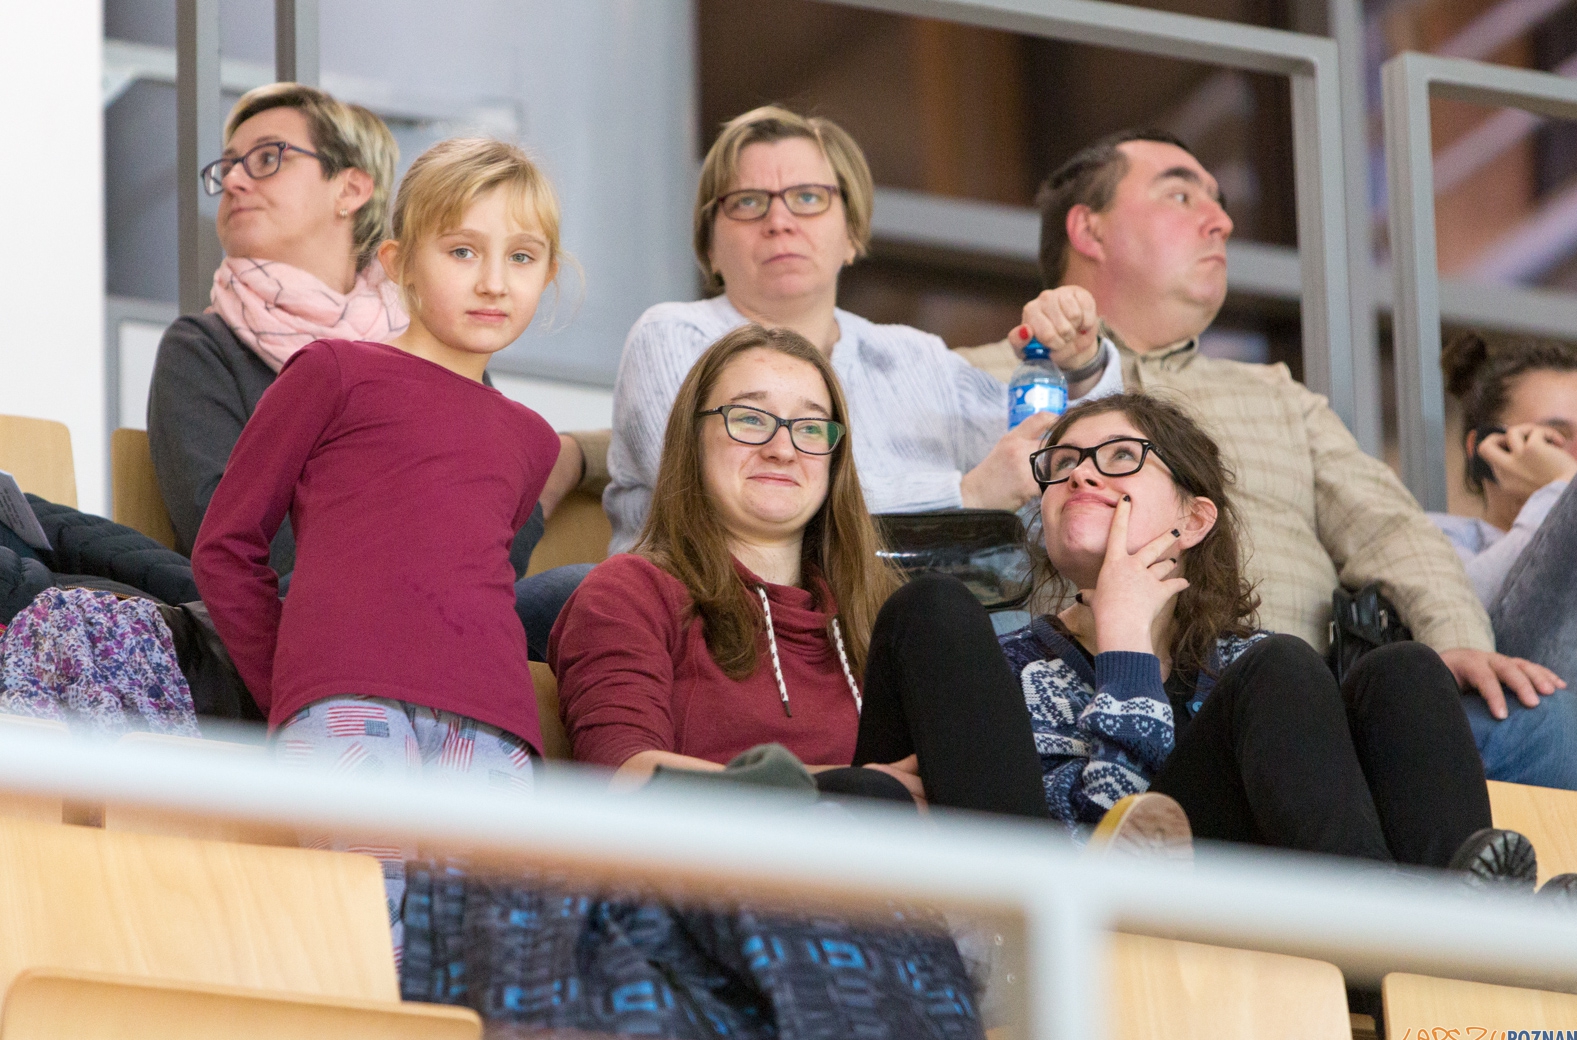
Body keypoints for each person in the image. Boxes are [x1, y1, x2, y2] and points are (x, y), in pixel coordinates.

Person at [963, 128, 1569, 748]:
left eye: (1219, 202)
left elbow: (1391, 531)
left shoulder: (1278, 394)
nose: (1221, 221)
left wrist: (1456, 640)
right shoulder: (971, 380)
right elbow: (923, 551)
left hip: (1294, 718)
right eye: (1181, 196)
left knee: (1545, 726)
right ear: (1089, 230)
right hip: (1068, 711)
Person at [192, 138, 566, 952]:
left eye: (522, 256)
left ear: (548, 274)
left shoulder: (533, 439)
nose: (494, 281)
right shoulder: (332, 372)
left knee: (482, 962)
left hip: (495, 724)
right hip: (346, 704)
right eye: (462, 250)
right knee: (365, 943)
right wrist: (293, 688)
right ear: (398, 263)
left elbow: (470, 573)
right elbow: (226, 546)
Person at [1001, 392, 1529, 878]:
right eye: (1062, 464)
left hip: (1292, 909)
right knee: (1281, 665)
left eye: (1120, 456)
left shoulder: (1249, 667)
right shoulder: (1010, 670)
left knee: (1404, 671)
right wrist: (1126, 653)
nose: (1079, 475)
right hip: (1140, 924)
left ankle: (1469, 928)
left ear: (1194, 519)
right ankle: (1407, 925)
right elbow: (1090, 852)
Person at [147, 82, 593, 658]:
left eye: (267, 158)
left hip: (449, 614)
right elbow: (231, 535)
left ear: (352, 188)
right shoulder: (203, 347)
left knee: (597, 593)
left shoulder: (444, 326)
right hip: (309, 620)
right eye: (228, 166)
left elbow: (499, 528)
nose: (234, 180)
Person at [551, 322, 1051, 819]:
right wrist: (841, 786)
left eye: (810, 428)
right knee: (872, 795)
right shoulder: (628, 592)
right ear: (693, 438)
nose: (783, 449)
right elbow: (624, 777)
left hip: (889, 861)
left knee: (936, 606)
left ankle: (1029, 871)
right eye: (750, 419)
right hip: (718, 856)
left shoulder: (881, 614)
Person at [602, 105, 1116, 555]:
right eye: (748, 201)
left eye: (807, 197)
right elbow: (726, 493)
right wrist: (965, 494)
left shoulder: (914, 358)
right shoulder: (672, 337)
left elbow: (1054, 470)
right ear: (709, 245)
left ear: (851, 232)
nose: (779, 220)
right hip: (707, 613)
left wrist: (1080, 367)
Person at [1432, 332, 1577, 761]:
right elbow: (1469, 616)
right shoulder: (1436, 538)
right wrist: (1563, 493)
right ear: (1484, 450)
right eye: (1554, 438)